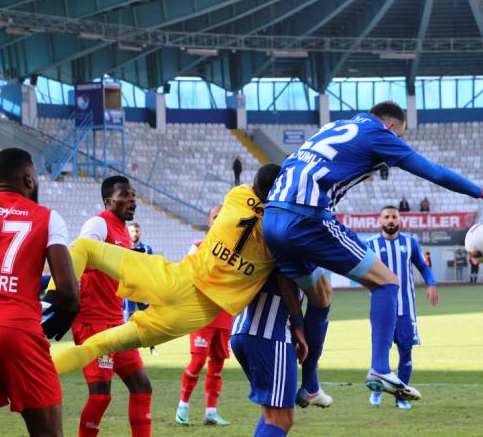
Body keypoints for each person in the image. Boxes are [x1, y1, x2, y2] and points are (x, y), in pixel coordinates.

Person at [264, 101, 483, 400]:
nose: (397, 143)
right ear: (392, 127)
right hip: (307, 216)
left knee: (321, 296)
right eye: (399, 137)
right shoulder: (378, 133)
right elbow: (433, 171)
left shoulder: (334, 127)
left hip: (272, 217)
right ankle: (380, 367)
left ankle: (310, 385)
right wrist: (482, 191)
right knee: (386, 281)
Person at [47, 165, 309, 384]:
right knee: (97, 346)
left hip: (173, 279)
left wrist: (66, 299)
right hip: (191, 314)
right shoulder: (281, 234)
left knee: (83, 248)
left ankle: (51, 303)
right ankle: (38, 374)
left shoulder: (237, 196)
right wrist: (298, 323)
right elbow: (288, 278)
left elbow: (257, 190)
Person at [0, 148, 79, 436]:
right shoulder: (46, 217)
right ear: (29, 179)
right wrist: (68, 308)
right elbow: (68, 290)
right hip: (19, 330)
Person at [65, 176, 153, 437]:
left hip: (116, 322)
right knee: (101, 396)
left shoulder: (124, 232)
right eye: (124, 195)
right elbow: (77, 255)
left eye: (133, 196)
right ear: (107, 200)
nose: (131, 200)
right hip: (93, 322)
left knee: (142, 387)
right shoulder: (98, 223)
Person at [366, 206, 438, 409]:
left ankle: (401, 396)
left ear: (400, 220)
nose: (390, 220)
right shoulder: (370, 244)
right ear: (380, 220)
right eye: (386, 217)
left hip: (406, 308)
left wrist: (431, 283)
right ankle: (377, 391)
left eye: (394, 217)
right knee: (381, 351)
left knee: (406, 352)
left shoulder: (410, 243)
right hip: (382, 309)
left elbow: (423, 266)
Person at [176, 205, 234, 427]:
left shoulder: (233, 251)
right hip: (202, 314)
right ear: (209, 222)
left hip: (224, 314)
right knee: (198, 361)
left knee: (217, 364)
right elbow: (186, 276)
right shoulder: (197, 248)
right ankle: (183, 406)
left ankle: (211, 411)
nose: (220, 220)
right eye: (216, 217)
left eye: (223, 217)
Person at [231, 271, 305, 437]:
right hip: (269, 334)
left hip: (246, 329)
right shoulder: (291, 245)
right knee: (280, 418)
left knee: (272, 413)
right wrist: (299, 324)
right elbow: (321, 294)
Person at [124, 222, 158, 356]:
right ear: (128, 233)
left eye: (137, 231)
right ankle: (127, 348)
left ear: (140, 232)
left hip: (143, 289)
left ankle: (152, 347)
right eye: (132, 231)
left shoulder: (147, 249)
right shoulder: (123, 247)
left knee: (148, 318)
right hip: (129, 289)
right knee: (128, 318)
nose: (135, 234)